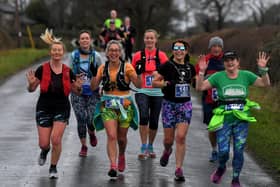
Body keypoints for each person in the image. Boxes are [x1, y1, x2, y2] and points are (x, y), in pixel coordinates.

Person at [196, 50, 270, 187]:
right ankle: (222, 167)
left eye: (233, 60)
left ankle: (235, 179)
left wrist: (263, 70)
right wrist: (201, 72)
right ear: (224, 63)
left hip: (241, 119)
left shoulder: (246, 75)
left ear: (238, 62)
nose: (230, 62)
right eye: (227, 60)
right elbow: (200, 87)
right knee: (223, 151)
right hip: (224, 119)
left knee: (238, 150)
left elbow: (264, 84)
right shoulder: (218, 76)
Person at [26, 29, 83, 179]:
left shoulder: (67, 71)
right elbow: (32, 89)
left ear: (63, 53)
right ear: (50, 52)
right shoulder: (42, 69)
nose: (57, 52)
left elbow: (76, 91)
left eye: (59, 50)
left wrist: (78, 86)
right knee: (44, 143)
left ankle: (53, 167)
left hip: (61, 108)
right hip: (44, 108)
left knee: (56, 139)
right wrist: (31, 84)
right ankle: (45, 151)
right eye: (54, 50)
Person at [91, 40, 142, 179]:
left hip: (125, 105)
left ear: (120, 52)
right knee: (111, 136)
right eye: (111, 50)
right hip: (108, 104)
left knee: (121, 138)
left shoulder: (127, 67)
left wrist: (138, 74)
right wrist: (93, 74)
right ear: (107, 53)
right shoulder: (102, 68)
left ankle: (121, 154)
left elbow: (139, 85)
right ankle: (113, 165)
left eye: (116, 50)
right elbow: (93, 87)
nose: (113, 53)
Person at [152, 40, 196, 181]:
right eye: (176, 48)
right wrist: (165, 83)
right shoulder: (167, 66)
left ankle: (178, 169)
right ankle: (167, 150)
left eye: (181, 48)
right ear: (173, 51)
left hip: (185, 105)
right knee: (168, 140)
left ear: (186, 51)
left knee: (181, 137)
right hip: (169, 104)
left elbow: (196, 85)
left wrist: (201, 75)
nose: (179, 51)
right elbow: (154, 83)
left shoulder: (191, 67)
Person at [132, 29, 169, 160]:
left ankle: (151, 146)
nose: (149, 40)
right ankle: (143, 146)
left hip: (157, 92)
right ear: (144, 39)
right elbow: (131, 73)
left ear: (156, 40)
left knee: (153, 120)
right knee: (143, 116)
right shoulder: (137, 55)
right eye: (147, 38)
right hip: (142, 90)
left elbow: (168, 74)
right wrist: (135, 76)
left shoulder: (162, 56)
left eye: (151, 38)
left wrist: (159, 76)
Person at [70, 30, 103, 157]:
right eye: (82, 38)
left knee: (90, 119)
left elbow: (102, 73)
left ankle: (91, 132)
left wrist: (101, 87)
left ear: (90, 41)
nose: (84, 40)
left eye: (86, 38)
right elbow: (68, 73)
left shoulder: (97, 56)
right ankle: (84, 146)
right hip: (77, 93)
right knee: (81, 119)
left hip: (93, 92)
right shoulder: (74, 56)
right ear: (79, 41)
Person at [195, 36, 224, 162]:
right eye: (214, 46)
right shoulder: (205, 60)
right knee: (212, 127)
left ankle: (223, 149)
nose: (216, 48)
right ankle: (214, 150)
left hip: (224, 100)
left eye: (218, 46)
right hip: (208, 98)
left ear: (221, 48)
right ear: (210, 47)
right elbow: (196, 80)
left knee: (223, 126)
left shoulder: (227, 60)